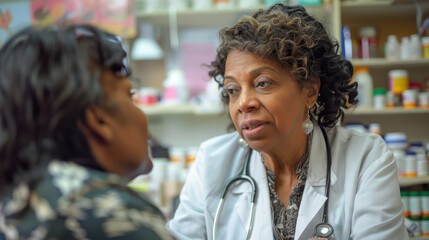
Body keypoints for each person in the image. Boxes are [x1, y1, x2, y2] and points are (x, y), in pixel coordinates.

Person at [167, 3, 408, 240]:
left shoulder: (366, 160)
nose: (243, 103)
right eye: (232, 90)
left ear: (310, 91)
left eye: (262, 83)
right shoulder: (211, 162)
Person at [0, 24, 173, 240]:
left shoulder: (19, 202)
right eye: (130, 95)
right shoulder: (109, 214)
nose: (141, 114)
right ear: (98, 120)